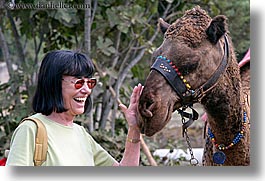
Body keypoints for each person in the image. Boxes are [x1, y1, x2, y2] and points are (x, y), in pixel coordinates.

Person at [6, 50, 143, 166]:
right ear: (53, 83)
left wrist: (134, 127)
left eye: (89, 83)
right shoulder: (31, 130)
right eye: (78, 82)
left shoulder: (81, 134)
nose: (87, 90)